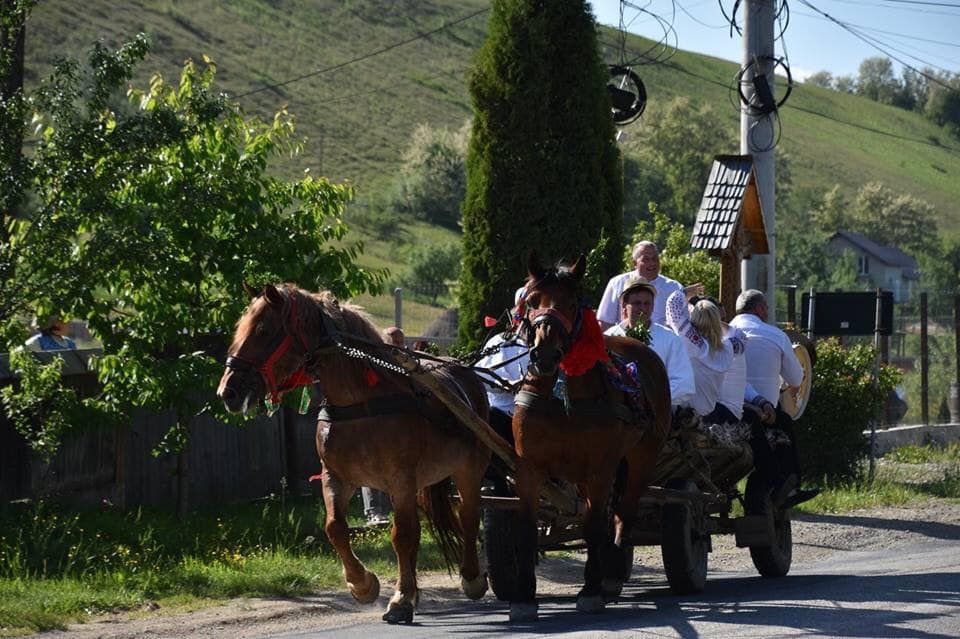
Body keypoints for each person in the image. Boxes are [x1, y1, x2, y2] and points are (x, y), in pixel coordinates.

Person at [729, 289, 819, 508]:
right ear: (759, 309)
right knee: (785, 424)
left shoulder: (723, 332)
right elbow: (797, 378)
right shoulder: (774, 335)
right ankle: (789, 485)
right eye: (767, 308)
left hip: (724, 410)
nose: (767, 312)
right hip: (760, 415)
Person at [603, 275, 695, 410]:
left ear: (652, 306)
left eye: (647, 303)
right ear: (624, 305)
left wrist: (649, 399)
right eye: (636, 303)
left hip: (656, 417)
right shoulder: (610, 337)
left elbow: (684, 384)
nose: (642, 308)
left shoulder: (670, 339)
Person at [664, 291, 742, 418]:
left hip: (684, 414)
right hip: (708, 413)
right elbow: (741, 338)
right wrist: (716, 322)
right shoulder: (726, 348)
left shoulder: (692, 341)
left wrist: (686, 292)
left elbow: (673, 306)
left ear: (693, 319)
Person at [596, 241, 702, 330]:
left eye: (655, 259)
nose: (652, 263)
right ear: (634, 263)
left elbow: (683, 325)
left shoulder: (673, 287)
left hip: (663, 346)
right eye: (646, 259)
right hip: (625, 345)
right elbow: (605, 322)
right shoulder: (617, 283)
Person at [361, 326, 406, 527]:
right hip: (374, 425)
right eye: (394, 341)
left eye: (401, 342)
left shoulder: (406, 362)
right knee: (370, 466)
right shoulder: (373, 363)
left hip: (398, 426)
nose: (398, 346)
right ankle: (374, 512)